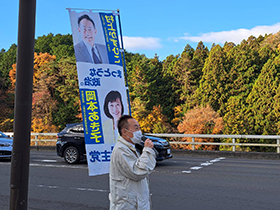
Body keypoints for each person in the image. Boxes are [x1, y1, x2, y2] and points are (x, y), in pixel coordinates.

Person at [109, 115, 156, 210]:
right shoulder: (120, 149)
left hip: (134, 202)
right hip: (127, 204)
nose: (139, 131)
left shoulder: (129, 147)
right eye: (136, 128)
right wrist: (147, 150)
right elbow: (138, 172)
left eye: (139, 127)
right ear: (124, 131)